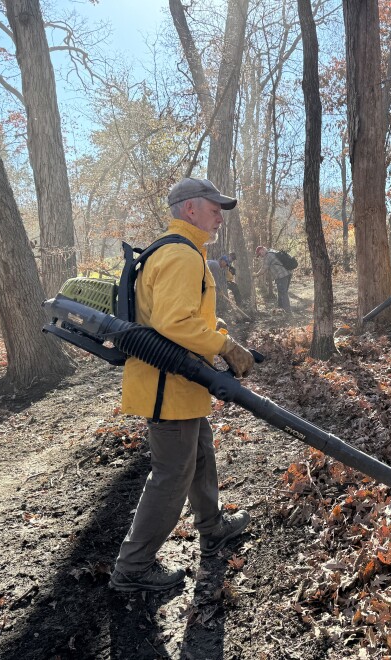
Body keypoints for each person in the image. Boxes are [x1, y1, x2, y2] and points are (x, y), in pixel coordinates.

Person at [109, 177, 254, 592]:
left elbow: (181, 315)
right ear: (190, 209)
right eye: (214, 209)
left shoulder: (180, 250)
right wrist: (224, 345)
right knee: (172, 475)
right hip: (167, 386)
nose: (220, 218)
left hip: (179, 383)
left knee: (201, 456)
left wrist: (221, 333)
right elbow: (175, 323)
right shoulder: (181, 255)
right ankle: (133, 567)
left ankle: (212, 527)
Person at [254, 245, 291, 312]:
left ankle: (287, 311)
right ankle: (281, 309)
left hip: (281, 276)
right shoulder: (272, 252)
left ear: (263, 249)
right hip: (286, 274)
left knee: (283, 293)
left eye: (260, 253)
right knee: (281, 292)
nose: (260, 255)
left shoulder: (268, 256)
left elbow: (264, 268)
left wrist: (256, 274)